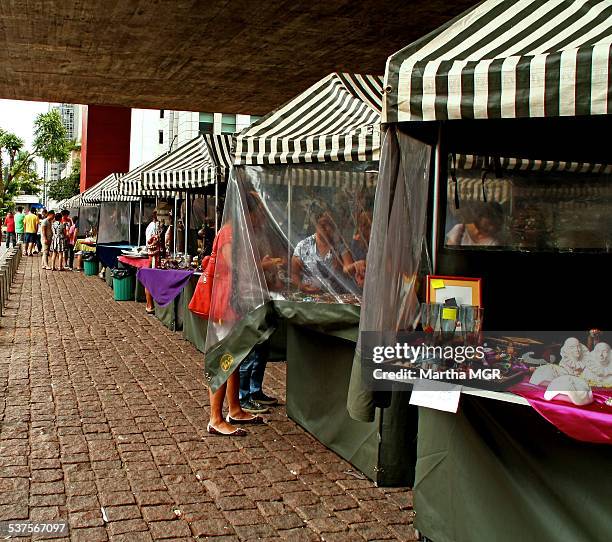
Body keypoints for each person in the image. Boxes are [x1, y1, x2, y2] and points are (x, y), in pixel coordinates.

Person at [291, 208, 353, 294]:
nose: (327, 228)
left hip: (336, 299)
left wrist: (342, 269)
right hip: (310, 298)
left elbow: (349, 267)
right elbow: (294, 274)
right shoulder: (303, 246)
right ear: (316, 225)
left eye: (330, 225)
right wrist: (301, 286)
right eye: (323, 225)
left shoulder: (340, 246)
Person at [144, 211, 161, 314]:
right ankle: (149, 304)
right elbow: (149, 243)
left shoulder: (158, 226)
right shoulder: (153, 227)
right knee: (150, 278)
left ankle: (150, 304)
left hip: (155, 256)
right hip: (153, 256)